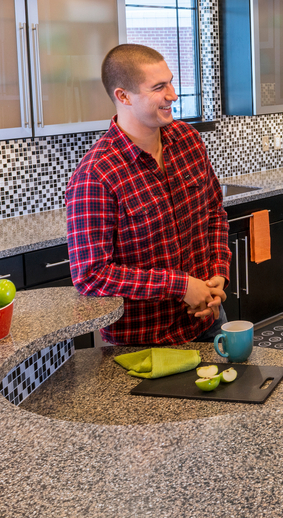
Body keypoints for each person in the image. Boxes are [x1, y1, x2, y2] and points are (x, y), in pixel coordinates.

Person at [66, 43, 230, 346]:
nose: (173, 95)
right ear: (123, 96)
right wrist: (179, 286)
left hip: (209, 321)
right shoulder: (96, 175)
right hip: (145, 343)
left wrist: (218, 272)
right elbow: (91, 276)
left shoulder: (188, 141)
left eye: (170, 82)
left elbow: (214, 214)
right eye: (159, 87)